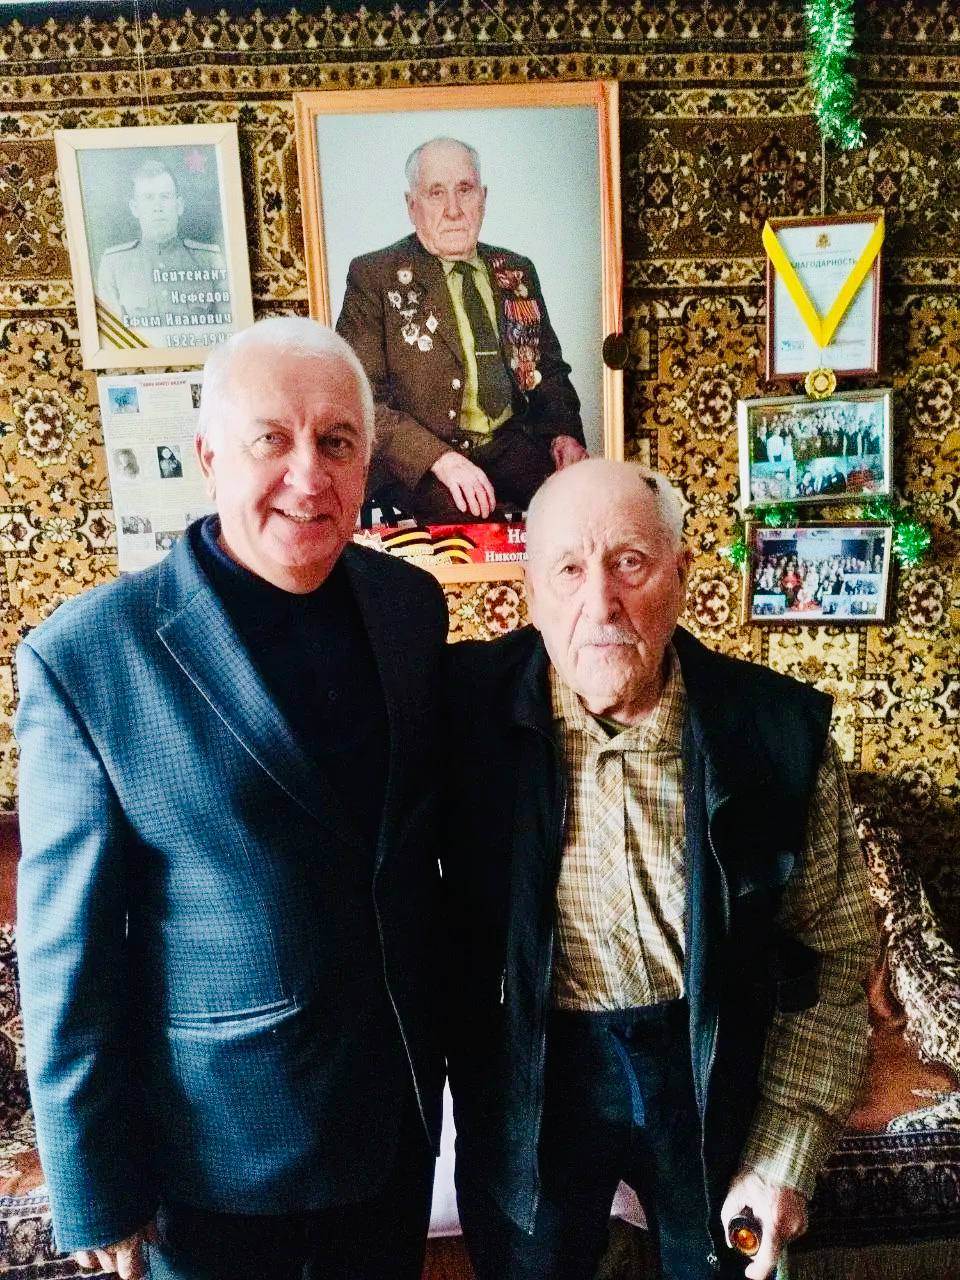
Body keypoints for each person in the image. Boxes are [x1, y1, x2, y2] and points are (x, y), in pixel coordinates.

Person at [16, 317, 448, 1280]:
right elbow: (67, 958)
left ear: (367, 461)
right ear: (209, 456)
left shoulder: (409, 608)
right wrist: (97, 1186)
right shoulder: (88, 658)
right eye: (271, 440)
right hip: (216, 1164)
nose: (308, 475)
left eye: (336, 441)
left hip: (392, 1127)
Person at [443, 459, 875, 1280]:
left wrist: (783, 1153)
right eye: (568, 570)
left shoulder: (776, 732)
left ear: (680, 573)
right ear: (530, 591)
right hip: (529, 1074)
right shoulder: (460, 710)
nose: (600, 603)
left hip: (709, 1064)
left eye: (630, 563)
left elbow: (836, 951)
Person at [336, 137, 588, 522]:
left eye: (465, 190)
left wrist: (563, 434)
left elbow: (548, 371)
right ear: (412, 205)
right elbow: (362, 400)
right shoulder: (374, 277)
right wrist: (441, 459)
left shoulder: (517, 271)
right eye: (436, 193)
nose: (453, 210)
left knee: (577, 506)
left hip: (507, 444)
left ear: (483, 198)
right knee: (471, 516)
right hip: (421, 459)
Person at [96, 159, 229, 339]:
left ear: (179, 206)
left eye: (165, 197)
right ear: (135, 208)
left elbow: (229, 333)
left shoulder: (209, 259)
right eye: (148, 198)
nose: (157, 207)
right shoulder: (113, 265)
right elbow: (114, 340)